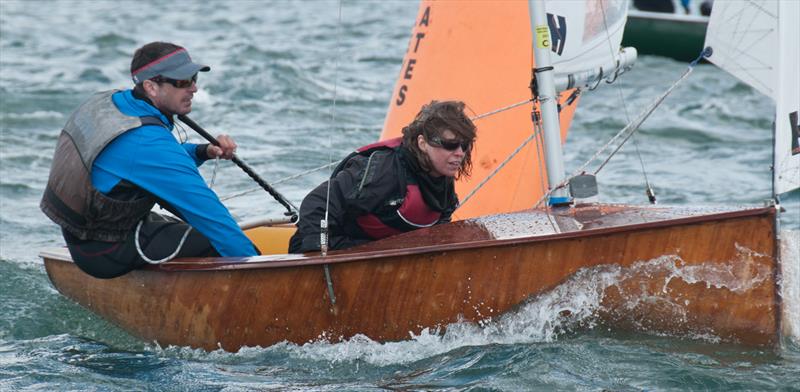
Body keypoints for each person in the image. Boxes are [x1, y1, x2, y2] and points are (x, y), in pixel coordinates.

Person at [40, 41, 259, 279]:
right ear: (151, 87)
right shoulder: (148, 143)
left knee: (198, 232)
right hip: (105, 252)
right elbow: (212, 218)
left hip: (83, 235)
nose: (194, 88)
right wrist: (258, 271)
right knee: (218, 240)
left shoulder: (116, 104)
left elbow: (132, 163)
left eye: (194, 78)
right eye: (183, 82)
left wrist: (202, 151)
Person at [289, 100, 476, 253]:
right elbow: (317, 203)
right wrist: (317, 253)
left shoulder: (441, 181)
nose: (459, 153)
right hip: (330, 251)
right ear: (422, 143)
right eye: (450, 145)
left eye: (464, 145)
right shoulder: (385, 172)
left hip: (381, 258)